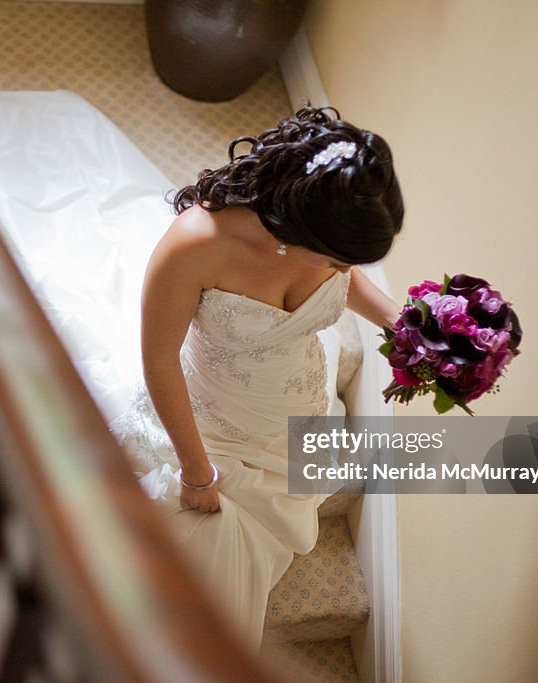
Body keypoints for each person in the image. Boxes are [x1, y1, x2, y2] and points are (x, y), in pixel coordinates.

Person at [109, 105, 404, 648]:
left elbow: (343, 278)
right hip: (212, 424)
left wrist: (399, 322)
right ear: (299, 222)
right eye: (337, 260)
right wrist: (197, 473)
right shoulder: (197, 243)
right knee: (203, 579)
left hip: (295, 398)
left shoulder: (320, 238)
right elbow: (159, 361)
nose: (341, 272)